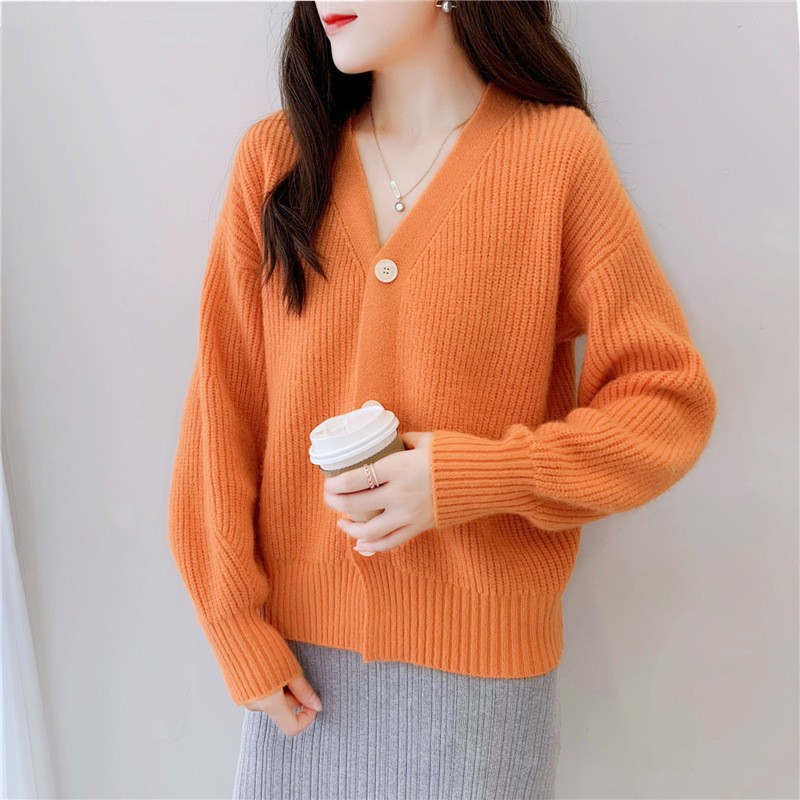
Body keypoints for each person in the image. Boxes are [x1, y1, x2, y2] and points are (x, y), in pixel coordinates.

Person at [166, 2, 718, 798]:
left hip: (481, 693)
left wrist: (474, 477)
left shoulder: (554, 155)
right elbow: (223, 411)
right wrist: (232, 624)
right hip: (298, 676)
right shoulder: (278, 161)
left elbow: (667, 399)